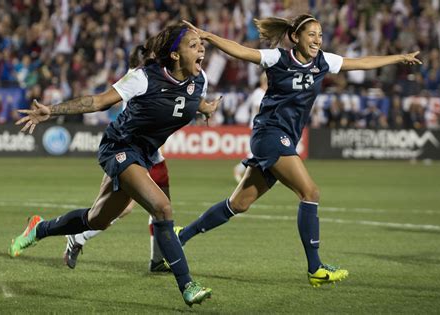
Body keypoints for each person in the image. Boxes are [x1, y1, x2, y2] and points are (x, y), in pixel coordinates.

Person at [180, 15, 421, 287]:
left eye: (320, 34)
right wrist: (209, 36)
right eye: (312, 34)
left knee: (238, 204)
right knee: (310, 192)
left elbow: (362, 63)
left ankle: (180, 236)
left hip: (283, 139)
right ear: (296, 37)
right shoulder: (278, 59)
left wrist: (399, 58)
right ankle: (315, 268)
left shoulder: (324, 61)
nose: (318, 39)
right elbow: (242, 51)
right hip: (270, 135)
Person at [9, 23, 221, 306]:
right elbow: (99, 101)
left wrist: (205, 108)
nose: (202, 48)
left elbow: (191, 101)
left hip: (144, 154)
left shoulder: (201, 80)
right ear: (174, 55)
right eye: (193, 45)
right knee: (162, 206)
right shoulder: (143, 78)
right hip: (119, 147)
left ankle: (38, 229)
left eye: (201, 45)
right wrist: (53, 110)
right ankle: (187, 285)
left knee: (97, 219)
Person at [63, 45, 172, 273]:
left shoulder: (150, 77)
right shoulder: (138, 78)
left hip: (154, 156)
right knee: (122, 209)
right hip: (130, 152)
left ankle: (157, 260)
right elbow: (105, 102)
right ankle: (79, 236)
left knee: (160, 209)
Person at [233, 72, 267, 183]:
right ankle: (239, 169)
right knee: (255, 152)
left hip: (263, 125)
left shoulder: (264, 92)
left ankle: (270, 174)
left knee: (266, 151)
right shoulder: (259, 93)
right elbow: (258, 108)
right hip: (258, 125)